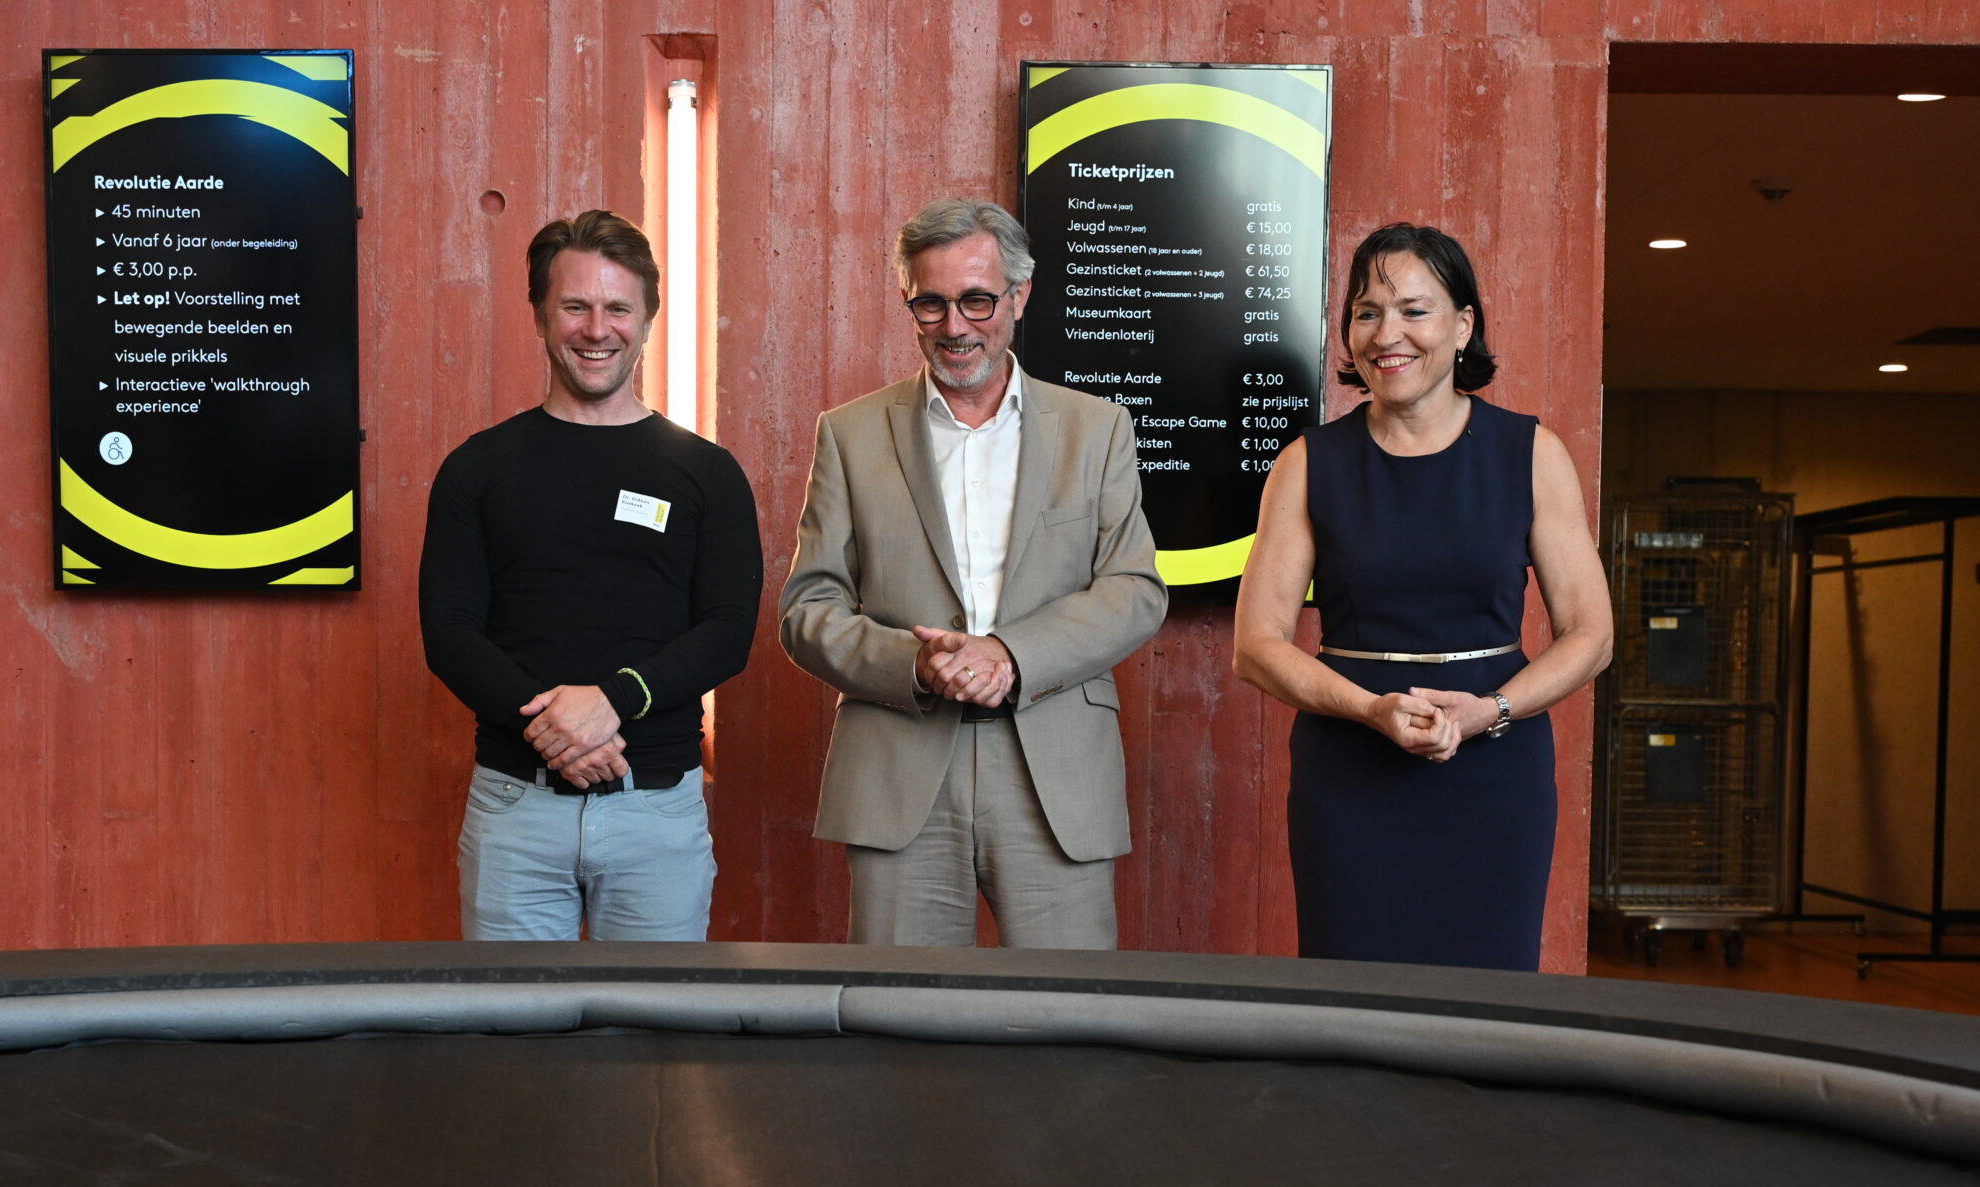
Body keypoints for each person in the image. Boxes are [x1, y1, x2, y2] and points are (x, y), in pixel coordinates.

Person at [779, 198, 1165, 948]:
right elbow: (808, 608)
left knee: (1069, 1023)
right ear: (909, 304)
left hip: (1054, 772)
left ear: (1020, 296)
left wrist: (1009, 655)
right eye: (931, 303)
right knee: (899, 1032)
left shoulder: (1097, 429)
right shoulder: (849, 435)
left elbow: (1135, 590)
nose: (955, 326)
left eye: (977, 299)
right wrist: (913, 662)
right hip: (902, 770)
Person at [1232, 223, 1611, 970]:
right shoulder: (1308, 462)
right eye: (1367, 312)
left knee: (1489, 1005)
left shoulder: (1532, 453)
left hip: (1495, 778)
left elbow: (1591, 634)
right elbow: (1256, 646)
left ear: (1463, 325)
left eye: (1414, 309)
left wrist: (1491, 711)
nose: (1387, 334)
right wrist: (1369, 709)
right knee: (1350, 999)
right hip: (1350, 776)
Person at [419, 210, 762, 941]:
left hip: (657, 811)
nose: (595, 328)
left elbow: (728, 631)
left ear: (647, 320)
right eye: (575, 306)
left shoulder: (707, 473)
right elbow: (448, 631)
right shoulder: (477, 468)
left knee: (657, 1049)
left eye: (617, 308)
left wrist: (614, 700)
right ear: (541, 315)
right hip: (516, 809)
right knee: (511, 1043)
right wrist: (550, 727)